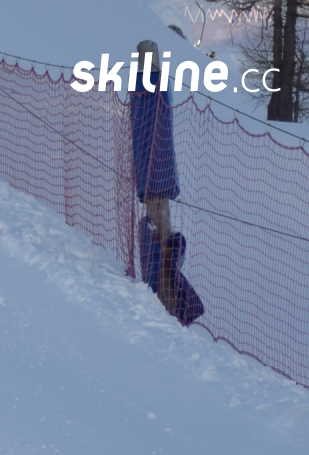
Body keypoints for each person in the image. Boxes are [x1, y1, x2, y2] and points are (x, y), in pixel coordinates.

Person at [130, 40, 181, 315]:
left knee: (160, 232)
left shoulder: (144, 87)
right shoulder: (156, 85)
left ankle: (164, 300)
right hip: (158, 175)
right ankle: (163, 303)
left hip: (151, 177)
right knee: (161, 231)